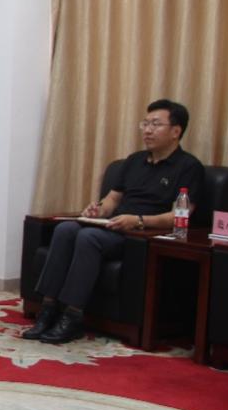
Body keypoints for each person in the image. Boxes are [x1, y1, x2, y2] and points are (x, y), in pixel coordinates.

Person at [24, 98, 205, 345]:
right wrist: (97, 210)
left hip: (140, 235)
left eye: (155, 124)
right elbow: (112, 199)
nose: (147, 130)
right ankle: (47, 309)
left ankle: (73, 316)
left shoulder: (189, 167)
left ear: (176, 131)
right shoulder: (134, 161)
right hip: (114, 225)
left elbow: (178, 216)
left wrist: (138, 221)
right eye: (145, 123)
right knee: (65, 229)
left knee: (88, 237)